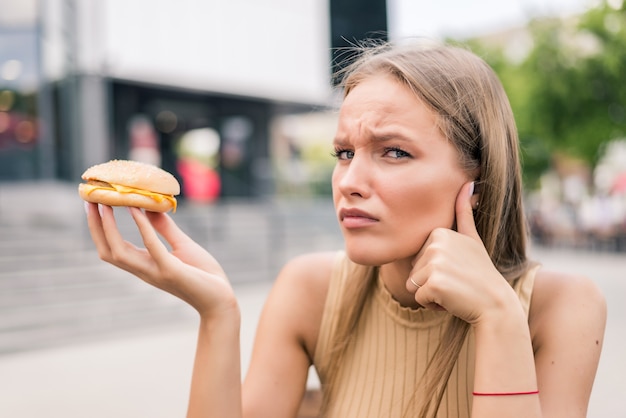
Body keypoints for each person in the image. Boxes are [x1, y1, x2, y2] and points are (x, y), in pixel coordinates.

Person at [84, 40, 606, 418]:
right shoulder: (310, 289)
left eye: (394, 152)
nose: (349, 182)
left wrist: (498, 316)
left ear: (480, 181)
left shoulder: (560, 307)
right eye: (344, 153)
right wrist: (217, 313)